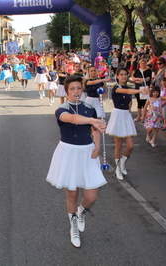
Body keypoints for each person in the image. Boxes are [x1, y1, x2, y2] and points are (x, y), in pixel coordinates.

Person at [46, 75, 107, 248]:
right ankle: (73, 226)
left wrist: (98, 144)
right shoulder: (62, 109)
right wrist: (92, 120)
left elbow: (95, 128)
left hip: (87, 153)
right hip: (69, 153)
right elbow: (72, 119)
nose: (76, 92)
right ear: (66, 91)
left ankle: (81, 212)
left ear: (83, 89)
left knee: (91, 196)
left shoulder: (89, 108)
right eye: (72, 89)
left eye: (78, 88)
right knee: (72, 194)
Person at [105, 67, 148, 180]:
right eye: (122, 74)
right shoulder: (116, 88)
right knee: (118, 145)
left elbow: (129, 100)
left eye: (125, 74)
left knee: (130, 146)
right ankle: (118, 168)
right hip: (118, 115)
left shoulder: (129, 87)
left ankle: (122, 163)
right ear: (117, 76)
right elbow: (127, 92)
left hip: (126, 116)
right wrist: (140, 90)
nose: (124, 76)